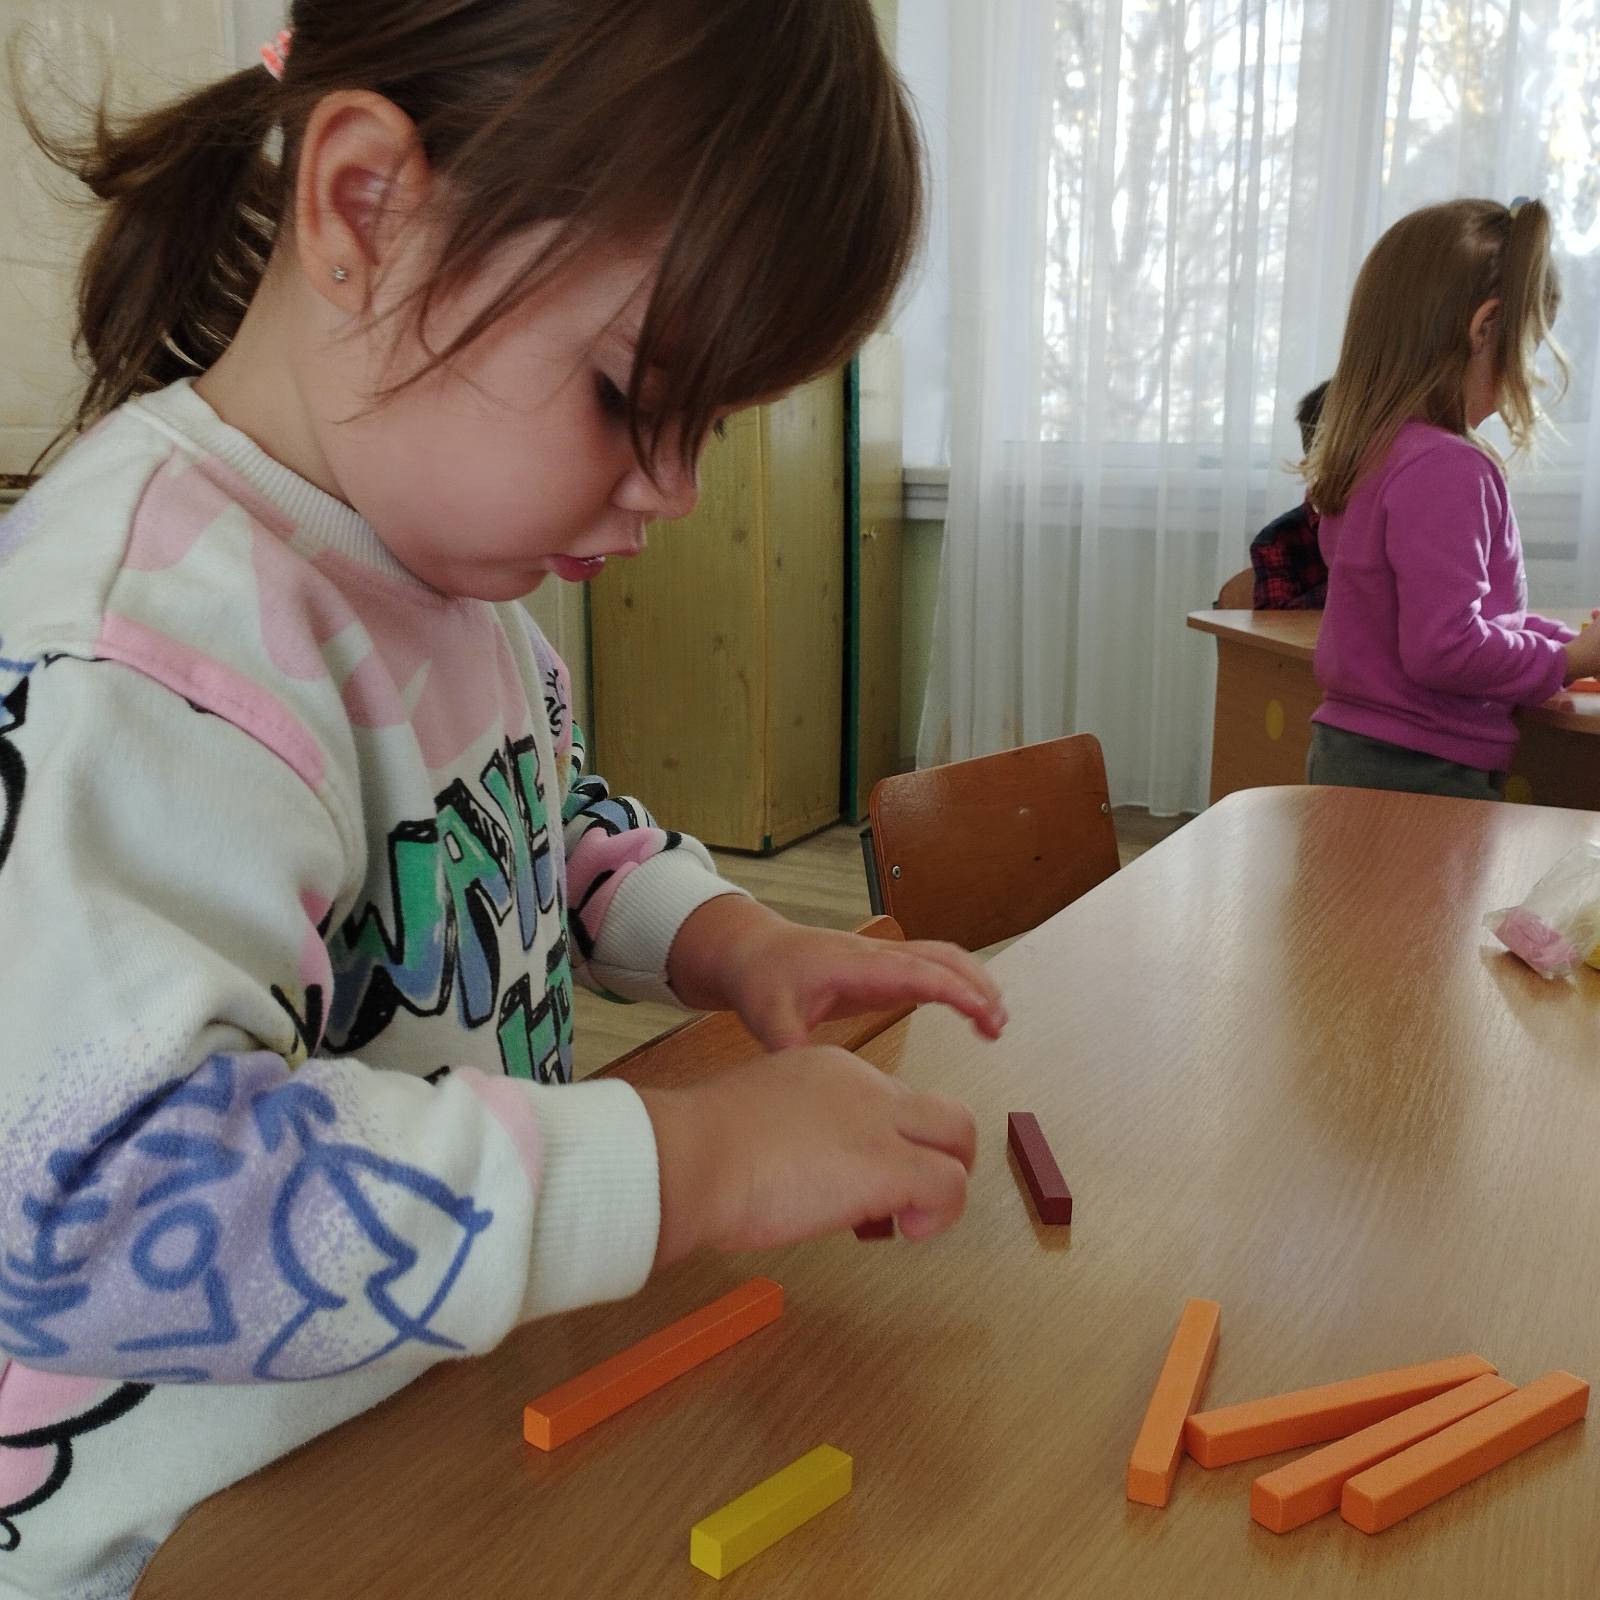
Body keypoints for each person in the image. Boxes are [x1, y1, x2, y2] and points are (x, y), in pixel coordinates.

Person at [0, 5, 1006, 1592]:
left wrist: (734, 941)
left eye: (706, 425)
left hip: (420, 1434)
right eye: (625, 396)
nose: (675, 491)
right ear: (364, 209)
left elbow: (539, 824)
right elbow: (101, 1204)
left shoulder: (444, 582)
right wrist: (698, 1161)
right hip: (183, 1550)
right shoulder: (140, 646)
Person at [1303, 198, 1600, 800]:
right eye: (1530, 344)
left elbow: (1455, 618)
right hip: (1420, 769)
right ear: (1486, 328)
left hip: (1355, 754)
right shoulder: (1447, 467)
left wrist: (1564, 645)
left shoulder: (1375, 451)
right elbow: (1445, 649)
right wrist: (1569, 662)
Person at [1251, 381, 1330, 608]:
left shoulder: (1395, 528)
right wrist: (1354, 581)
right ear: (1311, 466)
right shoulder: (1278, 539)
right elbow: (1274, 623)